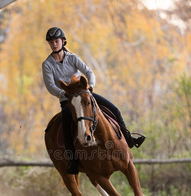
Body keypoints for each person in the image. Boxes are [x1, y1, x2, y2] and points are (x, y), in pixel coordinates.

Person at [42, 27, 145, 174]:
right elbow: (50, 86)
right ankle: (73, 160)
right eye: (51, 42)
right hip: (68, 100)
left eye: (56, 41)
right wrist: (66, 95)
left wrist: (89, 87)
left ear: (63, 41)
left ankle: (129, 139)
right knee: (66, 124)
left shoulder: (73, 58)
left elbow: (89, 72)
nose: (54, 44)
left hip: (84, 95)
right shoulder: (47, 64)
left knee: (114, 109)